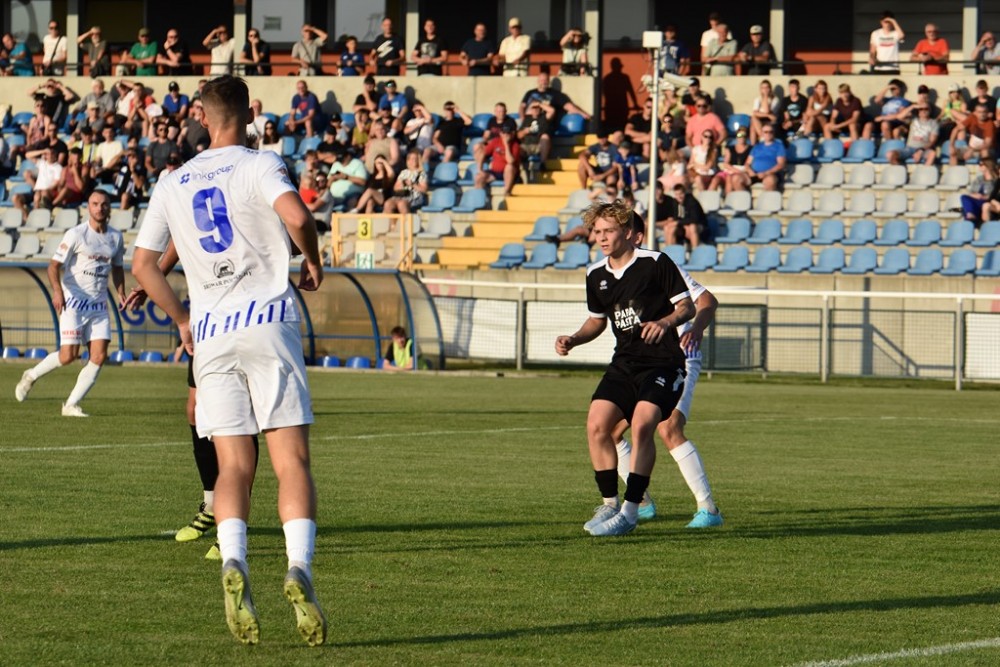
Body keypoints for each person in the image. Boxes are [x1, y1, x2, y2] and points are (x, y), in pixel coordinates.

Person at [132, 74, 327, 647]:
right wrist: (312, 261)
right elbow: (298, 218)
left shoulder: (173, 181)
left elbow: (143, 265)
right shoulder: (260, 163)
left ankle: (234, 558)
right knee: (291, 460)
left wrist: (182, 319)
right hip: (267, 321)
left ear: (201, 116)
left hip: (213, 333)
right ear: (249, 114)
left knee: (233, 468)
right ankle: (298, 567)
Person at [554, 199, 695, 537]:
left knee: (643, 425)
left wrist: (665, 322)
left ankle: (631, 512)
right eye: (596, 231)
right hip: (625, 363)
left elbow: (687, 307)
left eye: (609, 230)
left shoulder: (655, 262)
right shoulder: (595, 274)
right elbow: (597, 321)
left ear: (629, 232)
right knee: (597, 425)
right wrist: (574, 339)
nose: (601, 237)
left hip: (663, 363)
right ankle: (609, 504)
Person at [15, 190, 125, 417]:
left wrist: (121, 292)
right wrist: (57, 292)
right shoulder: (76, 234)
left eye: (104, 204)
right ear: (88, 207)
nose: (100, 208)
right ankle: (31, 375)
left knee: (99, 356)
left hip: (98, 304)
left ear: (109, 208)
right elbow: (53, 266)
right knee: (68, 356)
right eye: (95, 204)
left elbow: (117, 268)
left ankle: (71, 405)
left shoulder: (116, 237)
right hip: (73, 301)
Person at [518, 71, 591, 123]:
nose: (543, 82)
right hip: (528, 121)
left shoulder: (555, 94)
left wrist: (583, 114)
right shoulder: (530, 93)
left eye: (545, 80)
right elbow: (522, 107)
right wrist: (522, 118)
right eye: (541, 80)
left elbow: (568, 106)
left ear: (548, 81)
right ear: (538, 81)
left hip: (544, 123)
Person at [475, 125, 521, 196]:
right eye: (504, 133)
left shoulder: (515, 145)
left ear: (512, 134)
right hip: (495, 172)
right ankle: (478, 198)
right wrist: (480, 169)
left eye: (508, 133)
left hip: (510, 173)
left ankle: (507, 192)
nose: (505, 135)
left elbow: (510, 161)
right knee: (479, 177)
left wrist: (506, 145)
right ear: (501, 133)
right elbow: (483, 153)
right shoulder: (495, 141)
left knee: (509, 167)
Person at [659, 182, 706, 248]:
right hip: (684, 225)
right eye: (676, 194)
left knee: (692, 227)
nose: (679, 197)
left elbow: (695, 219)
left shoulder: (692, 201)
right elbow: (676, 217)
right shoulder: (675, 202)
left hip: (699, 226)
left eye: (681, 194)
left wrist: (679, 223)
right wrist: (680, 224)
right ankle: (670, 251)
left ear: (684, 193)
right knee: (668, 228)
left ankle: (695, 250)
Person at [745, 123, 786, 191]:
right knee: (736, 179)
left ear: (774, 133)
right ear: (762, 133)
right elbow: (747, 163)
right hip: (754, 174)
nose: (768, 134)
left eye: (771, 132)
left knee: (770, 181)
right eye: (766, 132)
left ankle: (769, 198)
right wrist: (750, 171)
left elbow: (781, 164)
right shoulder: (757, 147)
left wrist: (766, 173)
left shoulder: (779, 146)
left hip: (770, 174)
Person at [960, 159, 1000, 225]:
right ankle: (971, 216)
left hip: (985, 200)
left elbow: (990, 197)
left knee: (985, 205)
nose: (979, 166)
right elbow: (992, 197)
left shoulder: (994, 181)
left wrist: (985, 197)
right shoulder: (980, 179)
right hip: (984, 201)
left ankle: (973, 219)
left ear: (988, 166)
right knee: (964, 197)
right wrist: (974, 195)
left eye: (981, 164)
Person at [712, 129, 751, 193]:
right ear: (736, 136)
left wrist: (740, 172)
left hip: (742, 170)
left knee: (729, 179)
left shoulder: (751, 149)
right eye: (739, 135)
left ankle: (728, 197)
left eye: (744, 135)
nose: (741, 137)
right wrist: (737, 171)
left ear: (747, 136)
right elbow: (726, 164)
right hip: (731, 170)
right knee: (715, 180)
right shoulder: (730, 148)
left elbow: (747, 164)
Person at [749, 79, 779, 143]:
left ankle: (760, 140)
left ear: (770, 89)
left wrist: (765, 96)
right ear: (760, 89)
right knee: (753, 121)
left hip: (770, 121)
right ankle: (762, 138)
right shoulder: (758, 99)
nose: (765, 90)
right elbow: (755, 113)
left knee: (753, 124)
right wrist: (767, 115)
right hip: (761, 119)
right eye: (763, 88)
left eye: (767, 87)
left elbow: (766, 111)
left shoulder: (775, 99)